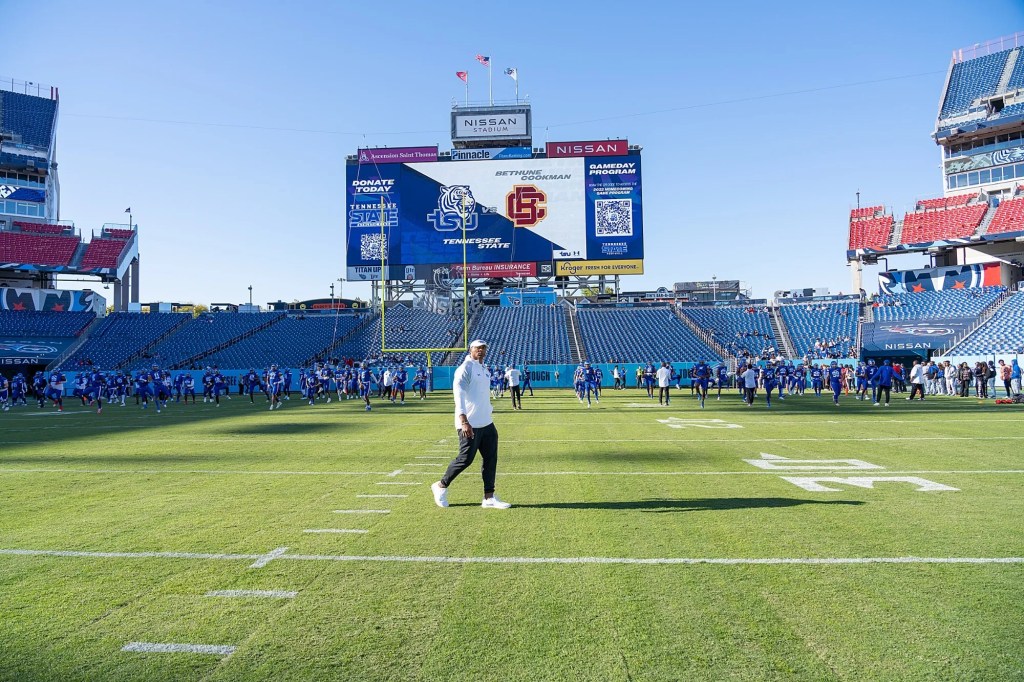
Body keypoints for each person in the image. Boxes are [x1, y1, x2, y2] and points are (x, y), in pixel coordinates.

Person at [431, 340, 510, 509]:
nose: (480, 351)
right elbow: (458, 394)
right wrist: (463, 420)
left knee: (490, 459)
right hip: (469, 422)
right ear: (470, 350)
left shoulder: (484, 368)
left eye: (483, 348)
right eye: (477, 348)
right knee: (465, 459)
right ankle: (441, 485)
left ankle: (489, 497)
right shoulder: (465, 368)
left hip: (486, 422)